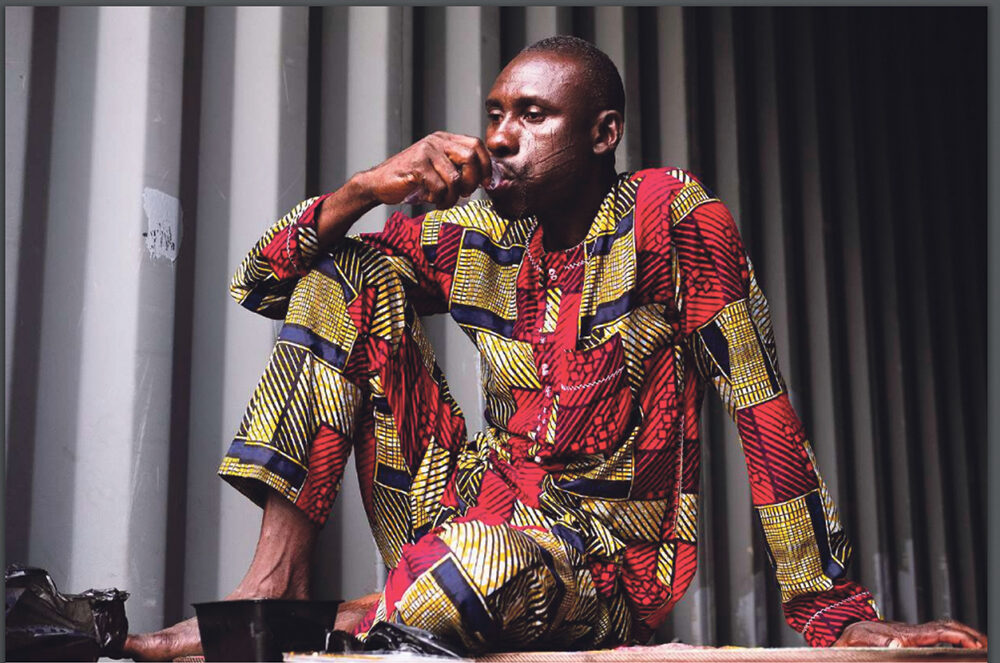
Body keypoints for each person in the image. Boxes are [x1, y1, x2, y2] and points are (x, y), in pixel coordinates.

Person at [123, 36, 987, 660]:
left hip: (597, 565)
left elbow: (760, 407)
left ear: (602, 133)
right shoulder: (478, 236)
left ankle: (353, 615)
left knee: (468, 567)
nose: (501, 136)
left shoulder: (669, 219)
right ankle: (271, 591)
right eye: (496, 114)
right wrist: (365, 187)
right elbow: (266, 283)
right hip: (467, 510)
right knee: (343, 275)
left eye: (533, 115)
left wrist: (834, 610)